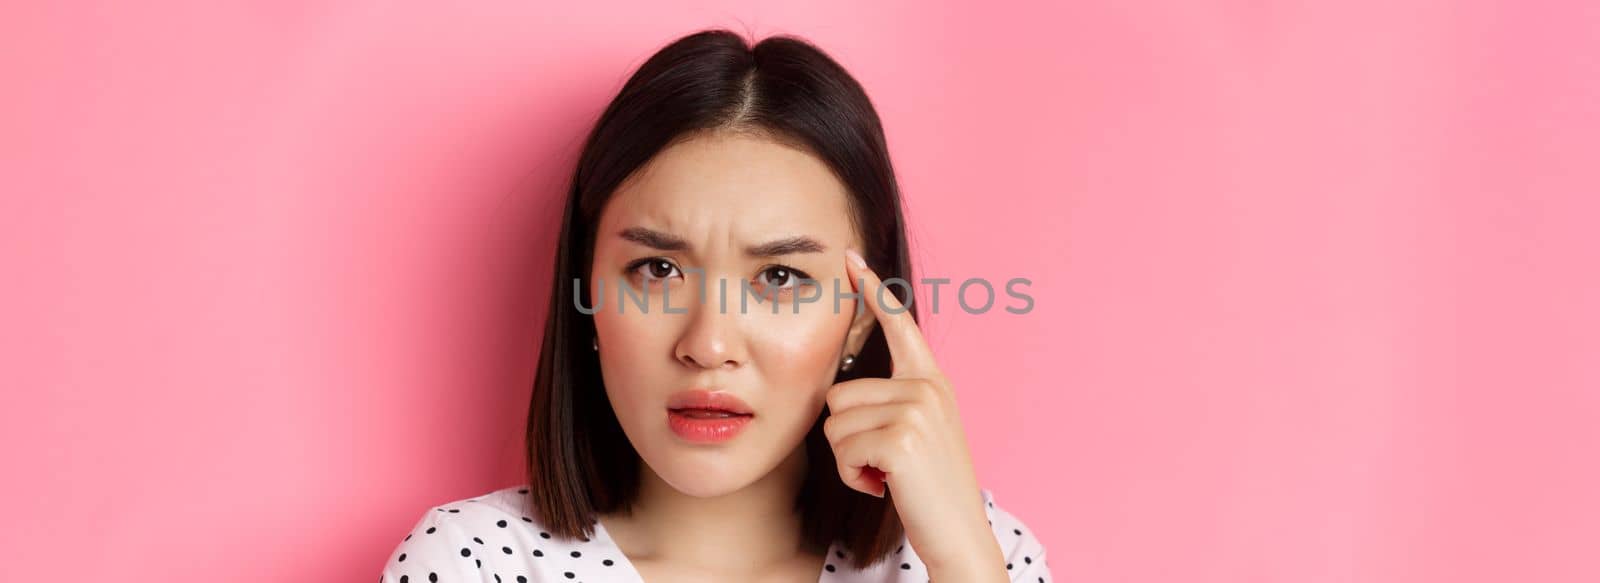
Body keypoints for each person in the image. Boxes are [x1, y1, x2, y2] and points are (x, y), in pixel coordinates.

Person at [380, 28, 1053, 583]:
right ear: (586, 294)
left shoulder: (979, 555)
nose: (708, 342)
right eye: (658, 268)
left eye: (781, 276)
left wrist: (967, 568)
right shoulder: (473, 561)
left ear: (863, 315)